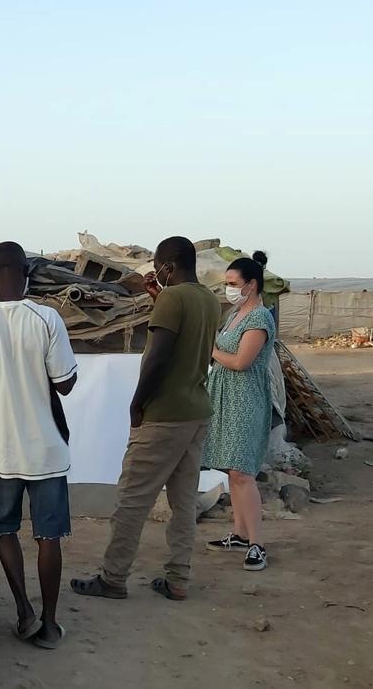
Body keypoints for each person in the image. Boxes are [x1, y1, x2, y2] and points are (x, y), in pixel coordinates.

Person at [71, 236, 220, 602]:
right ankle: (178, 579)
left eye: (158, 266)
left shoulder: (173, 299)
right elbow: (186, 338)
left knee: (131, 500)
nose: (156, 272)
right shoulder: (207, 299)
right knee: (184, 502)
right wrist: (161, 299)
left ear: (168, 266)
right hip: (196, 411)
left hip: (164, 414)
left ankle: (113, 577)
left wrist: (137, 403)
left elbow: (158, 357)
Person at [0, 242, 78, 650]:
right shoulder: (47, 318)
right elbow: (65, 382)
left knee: (4, 530)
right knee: (49, 537)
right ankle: (49, 624)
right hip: (45, 450)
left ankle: (23, 609)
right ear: (26, 271)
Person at [202, 252, 276, 572]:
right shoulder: (234, 314)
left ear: (252, 284)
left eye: (233, 284)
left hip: (245, 400)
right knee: (232, 470)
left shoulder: (258, 319)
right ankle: (239, 533)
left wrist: (209, 349)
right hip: (226, 399)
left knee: (243, 472)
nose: (228, 289)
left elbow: (241, 362)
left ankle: (257, 543)